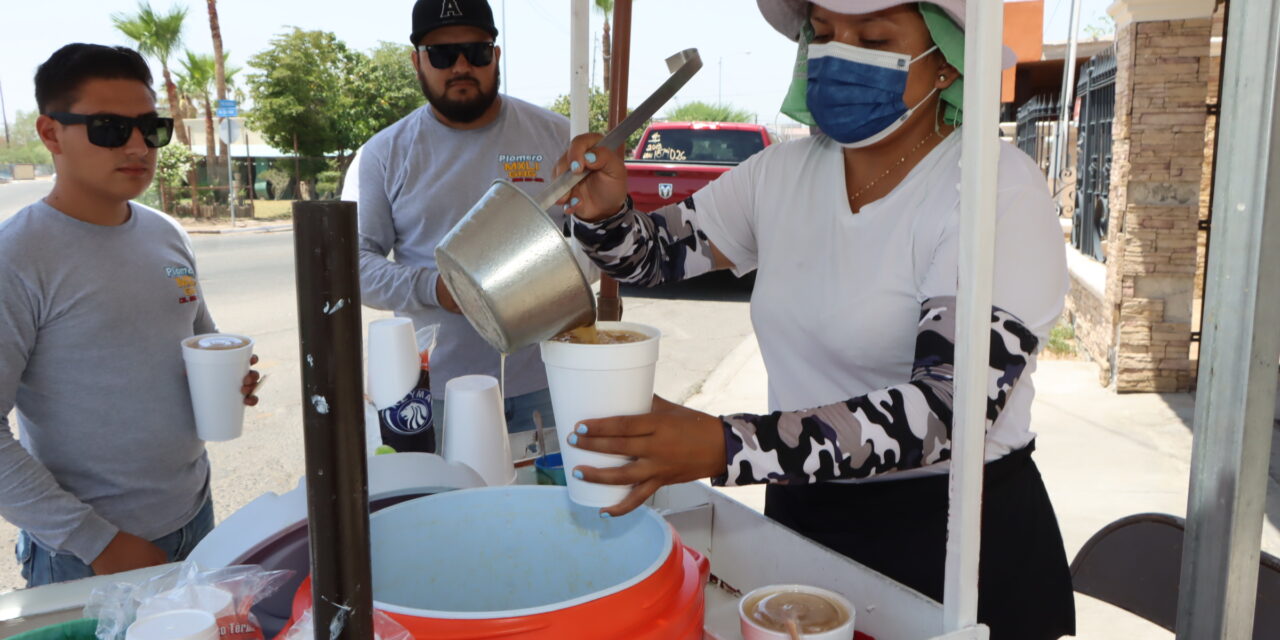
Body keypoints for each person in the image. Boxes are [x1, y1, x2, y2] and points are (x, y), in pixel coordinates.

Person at [554, 1, 1075, 637]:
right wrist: (606, 214)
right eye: (823, 34)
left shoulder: (994, 190)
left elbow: (948, 411)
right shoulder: (782, 173)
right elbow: (652, 256)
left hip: (951, 537)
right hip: (803, 515)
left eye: (874, 36)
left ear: (946, 61)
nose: (838, 52)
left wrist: (726, 445)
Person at [0, 43, 260, 587]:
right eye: (109, 128)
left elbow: (199, 339)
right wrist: (100, 544)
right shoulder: (19, 257)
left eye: (150, 127)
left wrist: (231, 376)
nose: (138, 145)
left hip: (195, 518)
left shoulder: (166, 232)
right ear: (51, 134)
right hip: (85, 555)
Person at [354, 0, 579, 434]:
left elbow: (593, 242)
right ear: (416, 60)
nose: (460, 66)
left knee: (542, 502)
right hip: (429, 391)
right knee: (439, 501)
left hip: (546, 383)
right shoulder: (386, 152)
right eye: (441, 54)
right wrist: (436, 289)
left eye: (475, 52)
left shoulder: (557, 136)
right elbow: (359, 266)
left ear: (495, 55)